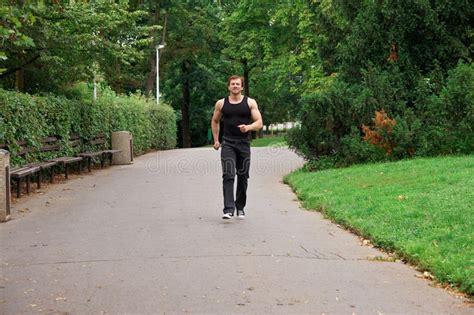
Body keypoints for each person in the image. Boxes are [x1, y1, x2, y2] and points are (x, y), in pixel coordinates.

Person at [211, 75, 263, 219]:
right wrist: (216, 140)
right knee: (228, 175)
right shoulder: (221, 104)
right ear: (228, 87)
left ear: (241, 87)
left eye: (237, 84)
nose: (235, 86)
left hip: (244, 144)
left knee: (243, 175)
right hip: (228, 143)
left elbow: (259, 123)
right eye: (232, 84)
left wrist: (248, 127)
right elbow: (215, 121)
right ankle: (228, 209)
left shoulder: (250, 103)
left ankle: (240, 207)